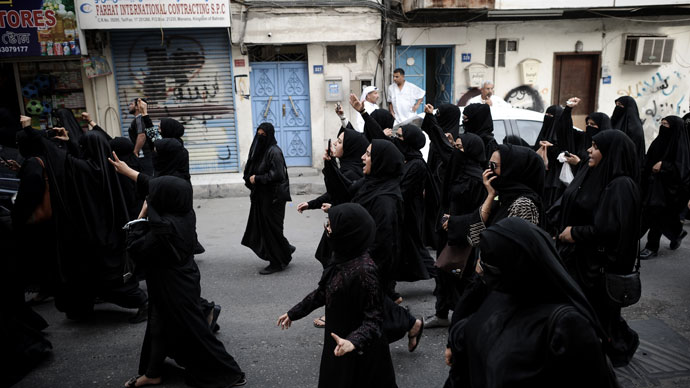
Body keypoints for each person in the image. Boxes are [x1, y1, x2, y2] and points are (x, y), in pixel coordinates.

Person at [444, 218, 619, 388]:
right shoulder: (500, 297)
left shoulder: (566, 324)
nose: (480, 269)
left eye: (489, 264)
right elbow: (469, 331)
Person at [122, 175, 246, 388]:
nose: (150, 198)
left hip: (173, 286)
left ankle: (229, 372)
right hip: (179, 280)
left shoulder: (164, 227)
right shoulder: (184, 214)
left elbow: (135, 248)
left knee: (194, 330)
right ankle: (153, 372)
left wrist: (142, 215)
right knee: (159, 324)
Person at [277, 203, 397, 388]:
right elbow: (324, 292)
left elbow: (374, 319)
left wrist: (352, 342)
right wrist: (294, 313)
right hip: (338, 343)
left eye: (331, 225)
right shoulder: (342, 258)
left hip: (360, 353)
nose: (327, 229)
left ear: (347, 231)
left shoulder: (365, 271)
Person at [555, 129, 641, 367]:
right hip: (585, 262)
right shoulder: (598, 175)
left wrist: (575, 233)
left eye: (595, 146)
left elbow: (609, 229)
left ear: (611, 152)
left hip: (599, 267)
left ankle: (611, 351)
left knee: (597, 313)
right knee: (596, 313)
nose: (589, 150)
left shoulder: (621, 185)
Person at [427, 131, 487, 329]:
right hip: (448, 232)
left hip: (465, 236)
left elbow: (481, 213)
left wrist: (456, 222)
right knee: (443, 271)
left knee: (461, 276)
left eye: (460, 148)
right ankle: (441, 313)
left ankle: (466, 318)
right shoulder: (457, 171)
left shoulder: (477, 179)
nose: (456, 152)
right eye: (455, 147)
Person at [241, 122, 294, 275]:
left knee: (272, 230)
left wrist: (257, 178)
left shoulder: (274, 151)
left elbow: (277, 175)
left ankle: (277, 262)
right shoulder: (261, 150)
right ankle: (284, 250)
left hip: (274, 198)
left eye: (263, 134)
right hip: (262, 196)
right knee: (266, 229)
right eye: (258, 134)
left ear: (269, 135)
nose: (260, 137)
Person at [639, 116, 690, 259]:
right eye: (661, 123)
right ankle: (677, 233)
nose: (662, 127)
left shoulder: (682, 147)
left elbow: (682, 170)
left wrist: (664, 166)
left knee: (656, 217)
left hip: (668, 190)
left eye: (666, 125)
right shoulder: (659, 141)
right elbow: (649, 159)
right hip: (652, 185)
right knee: (647, 214)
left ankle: (652, 247)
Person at [611, 96, 646, 172]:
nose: (617, 107)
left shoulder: (635, 128)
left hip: (627, 168)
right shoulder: (614, 121)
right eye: (616, 105)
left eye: (620, 105)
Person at [127, 98, 154, 176]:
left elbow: (142, 135)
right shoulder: (139, 119)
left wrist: (135, 151)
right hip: (145, 156)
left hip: (144, 156)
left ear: (137, 107)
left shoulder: (139, 118)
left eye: (131, 104)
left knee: (146, 179)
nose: (129, 106)